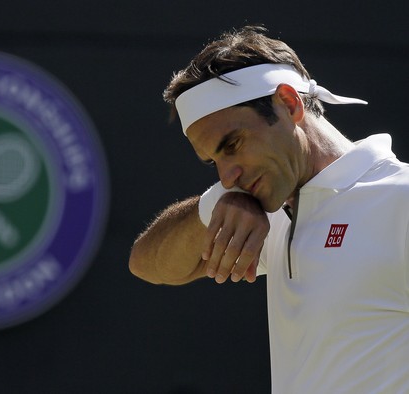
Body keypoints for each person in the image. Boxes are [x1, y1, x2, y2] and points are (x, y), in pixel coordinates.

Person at [129, 25, 409, 393]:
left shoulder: (400, 198)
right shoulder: (266, 208)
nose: (228, 176)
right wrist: (217, 203)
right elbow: (148, 263)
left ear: (289, 104)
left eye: (232, 144)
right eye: (212, 161)